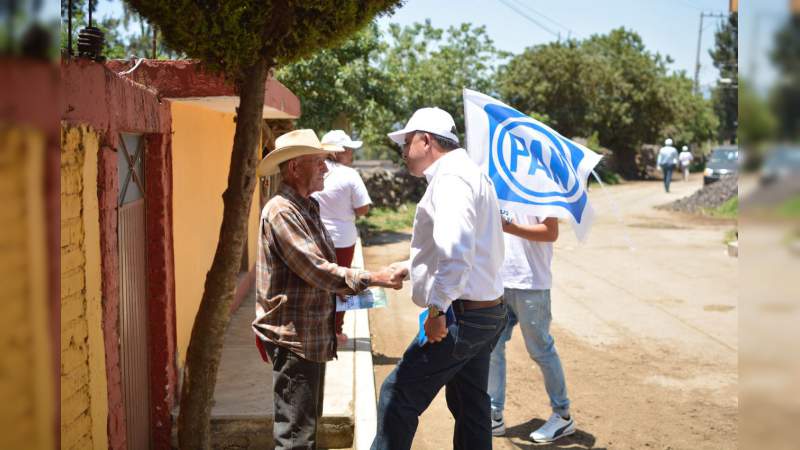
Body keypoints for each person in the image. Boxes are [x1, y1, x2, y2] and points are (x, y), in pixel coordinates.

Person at [252, 129, 401, 450]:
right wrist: (374, 277)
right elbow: (316, 269)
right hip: (294, 338)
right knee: (296, 437)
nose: (326, 167)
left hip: (309, 334)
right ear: (295, 168)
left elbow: (319, 268)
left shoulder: (306, 206)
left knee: (305, 428)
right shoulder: (282, 211)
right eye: (318, 161)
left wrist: (344, 287)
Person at [372, 107, 508, 450]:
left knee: (398, 394)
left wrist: (436, 311)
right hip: (484, 312)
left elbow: (457, 252)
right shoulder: (468, 173)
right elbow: (469, 248)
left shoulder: (450, 180)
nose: (403, 151)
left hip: (461, 315)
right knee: (470, 403)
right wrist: (410, 266)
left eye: (407, 142)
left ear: (426, 140)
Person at [488, 211, 575, 443]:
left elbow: (551, 232)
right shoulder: (496, 190)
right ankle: (494, 413)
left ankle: (563, 415)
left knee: (541, 350)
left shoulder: (540, 191)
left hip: (531, 284)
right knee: (492, 350)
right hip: (499, 282)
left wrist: (509, 226)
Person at [312, 129, 372, 345]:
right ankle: (335, 332)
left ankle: (316, 328)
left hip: (314, 238)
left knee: (317, 283)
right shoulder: (350, 175)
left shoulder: (313, 171)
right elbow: (363, 208)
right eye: (347, 150)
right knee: (341, 284)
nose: (351, 154)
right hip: (343, 240)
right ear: (336, 152)